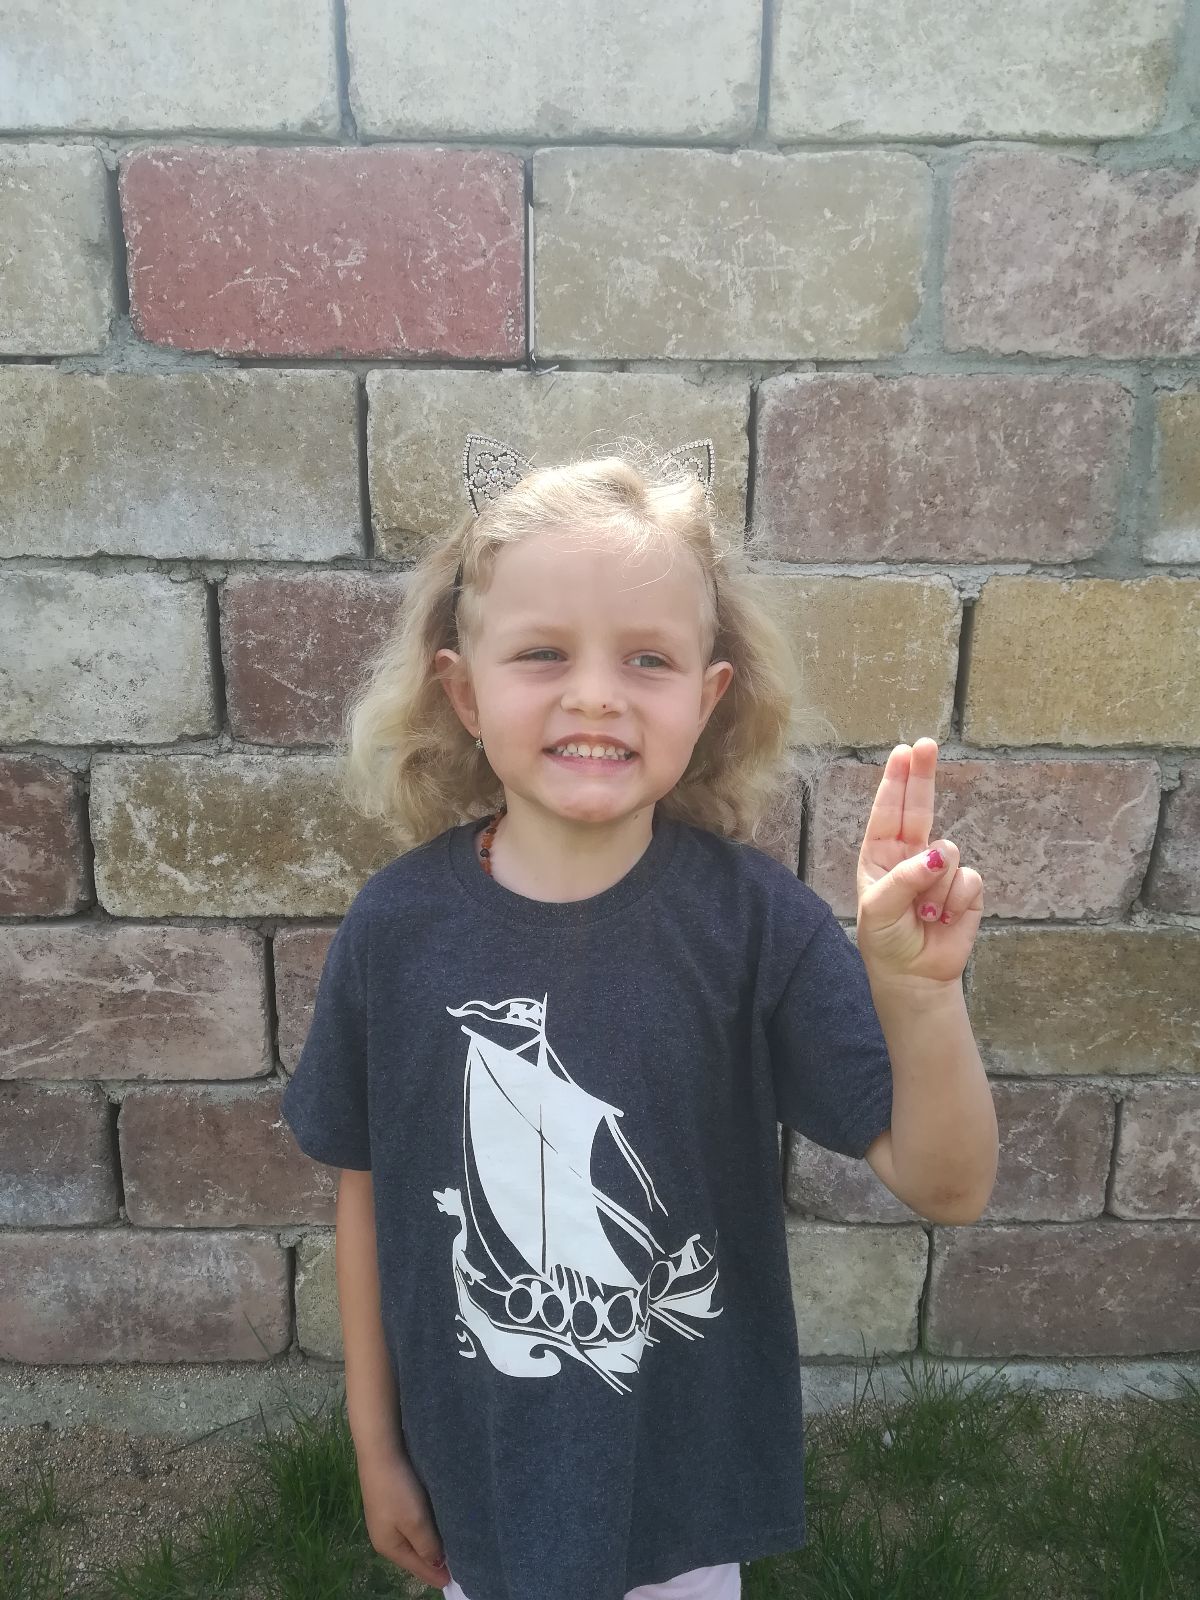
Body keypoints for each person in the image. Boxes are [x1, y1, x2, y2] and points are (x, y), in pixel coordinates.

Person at [280, 434, 995, 1600]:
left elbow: (948, 1183)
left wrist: (918, 994)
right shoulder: (396, 930)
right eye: (543, 652)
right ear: (463, 690)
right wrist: (376, 1445)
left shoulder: (755, 926)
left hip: (681, 1491)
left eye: (648, 658)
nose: (596, 693)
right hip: (478, 1479)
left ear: (708, 697)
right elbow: (366, 1190)